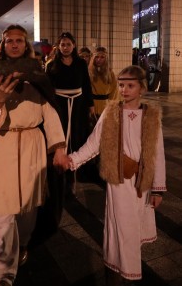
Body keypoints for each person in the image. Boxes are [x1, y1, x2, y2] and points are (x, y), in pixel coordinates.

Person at [0, 25, 67, 286]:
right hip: (1, 143)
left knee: (27, 207)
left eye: (19, 41)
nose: (14, 45)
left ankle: (23, 243)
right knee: (0, 208)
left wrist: (59, 148)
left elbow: (49, 111)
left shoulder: (37, 74)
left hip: (31, 144)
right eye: (9, 41)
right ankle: (3, 272)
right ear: (3, 45)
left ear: (26, 45)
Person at [56, 65, 166, 285]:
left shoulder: (151, 115)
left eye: (130, 85)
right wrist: (73, 160)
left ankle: (123, 272)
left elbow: (157, 153)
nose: (124, 89)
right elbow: (94, 144)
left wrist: (157, 188)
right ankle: (119, 273)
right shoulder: (111, 111)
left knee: (133, 228)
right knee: (120, 228)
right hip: (118, 182)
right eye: (122, 85)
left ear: (142, 88)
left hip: (141, 182)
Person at [45, 32, 95, 195]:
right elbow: (48, 89)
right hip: (59, 105)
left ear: (74, 45)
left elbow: (86, 84)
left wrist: (90, 104)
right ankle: (60, 178)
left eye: (68, 44)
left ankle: (74, 174)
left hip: (79, 105)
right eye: (62, 44)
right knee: (61, 138)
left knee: (76, 137)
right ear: (58, 46)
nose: (65, 47)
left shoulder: (81, 63)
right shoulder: (52, 65)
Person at [89, 47, 118, 119]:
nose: (99, 59)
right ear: (93, 58)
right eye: (97, 57)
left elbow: (114, 91)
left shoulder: (110, 73)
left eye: (102, 57)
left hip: (105, 105)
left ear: (106, 59)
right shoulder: (89, 72)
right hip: (91, 105)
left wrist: (111, 106)